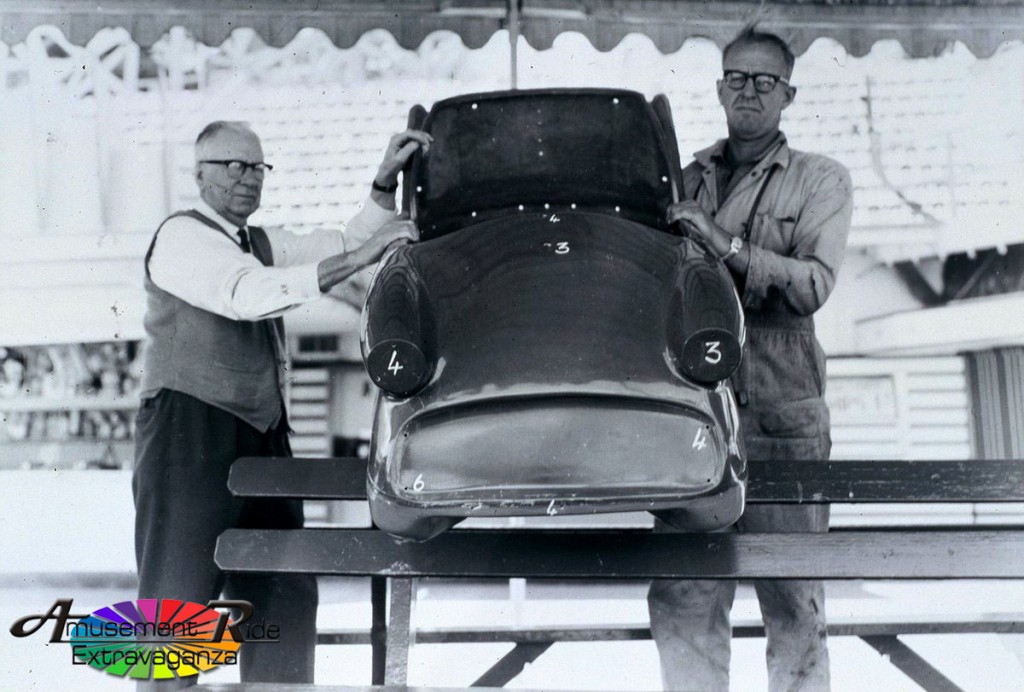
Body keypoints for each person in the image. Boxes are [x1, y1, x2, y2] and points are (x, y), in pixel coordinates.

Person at [132, 120, 431, 687]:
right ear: (200, 175)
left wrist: (381, 185)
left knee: (286, 588)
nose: (249, 179)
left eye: (257, 168)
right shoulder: (180, 236)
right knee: (176, 611)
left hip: (263, 432)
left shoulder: (260, 242)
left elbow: (339, 244)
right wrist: (366, 254)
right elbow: (247, 293)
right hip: (188, 433)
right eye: (234, 166)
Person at [647, 25, 853, 691]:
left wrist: (724, 246)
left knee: (793, 600)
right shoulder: (684, 177)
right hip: (694, 417)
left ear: (789, 94)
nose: (750, 92)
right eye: (737, 78)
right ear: (718, 87)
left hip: (782, 418)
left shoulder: (822, 179)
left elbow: (813, 286)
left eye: (766, 82)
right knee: (685, 596)